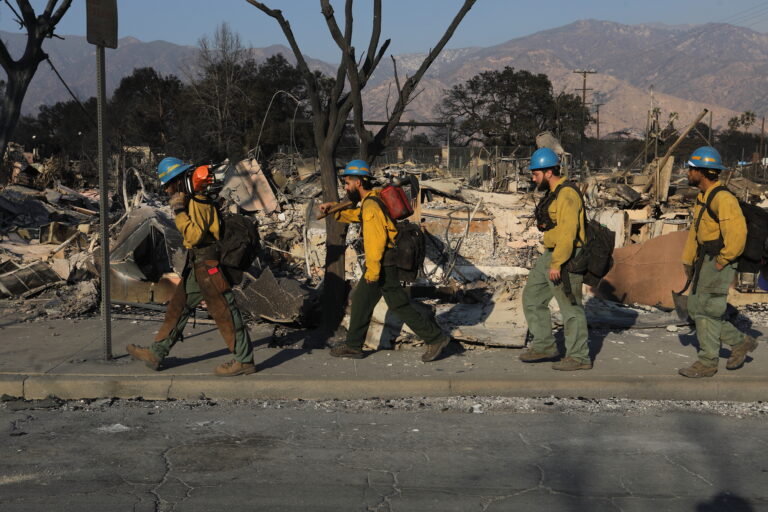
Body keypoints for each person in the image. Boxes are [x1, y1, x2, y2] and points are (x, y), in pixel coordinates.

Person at [126, 157, 256, 376]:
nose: (166, 190)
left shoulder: (198, 202)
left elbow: (194, 236)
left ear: (179, 181)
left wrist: (179, 211)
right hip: (197, 264)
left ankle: (244, 360)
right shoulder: (193, 200)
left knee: (225, 310)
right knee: (178, 307)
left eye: (168, 184)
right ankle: (156, 353)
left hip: (208, 264)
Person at [318, 159, 450, 362]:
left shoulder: (371, 206)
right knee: (362, 301)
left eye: (347, 183)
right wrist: (334, 209)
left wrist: (372, 273)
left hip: (382, 264)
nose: (345, 187)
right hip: (383, 263)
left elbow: (375, 243)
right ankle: (353, 346)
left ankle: (436, 338)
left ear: (358, 183)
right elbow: (357, 214)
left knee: (398, 305)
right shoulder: (373, 199)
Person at [678, 146, 757, 378]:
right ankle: (741, 342)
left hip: (718, 261)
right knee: (696, 309)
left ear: (702, 171)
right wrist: (688, 260)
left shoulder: (723, 199)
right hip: (705, 260)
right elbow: (696, 232)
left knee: (709, 311)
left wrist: (723, 261)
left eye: (691, 169)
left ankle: (707, 362)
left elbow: (737, 235)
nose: (688, 172)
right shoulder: (703, 197)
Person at [518, 148, 591, 370]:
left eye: (536, 174)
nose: (533, 178)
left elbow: (569, 232)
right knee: (532, 297)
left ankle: (579, 357)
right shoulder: (554, 192)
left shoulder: (567, 194)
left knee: (570, 307)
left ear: (548, 172)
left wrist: (558, 263)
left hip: (566, 255)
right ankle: (544, 346)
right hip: (551, 252)